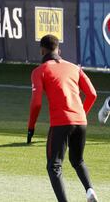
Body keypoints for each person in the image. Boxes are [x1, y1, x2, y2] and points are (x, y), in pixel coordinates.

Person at [27, 34, 98, 202]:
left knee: (54, 166)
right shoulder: (75, 68)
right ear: (59, 49)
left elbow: (36, 104)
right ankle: (90, 191)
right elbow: (92, 94)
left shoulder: (39, 71)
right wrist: (80, 116)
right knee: (78, 160)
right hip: (81, 121)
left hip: (61, 123)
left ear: (42, 51)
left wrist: (31, 127)